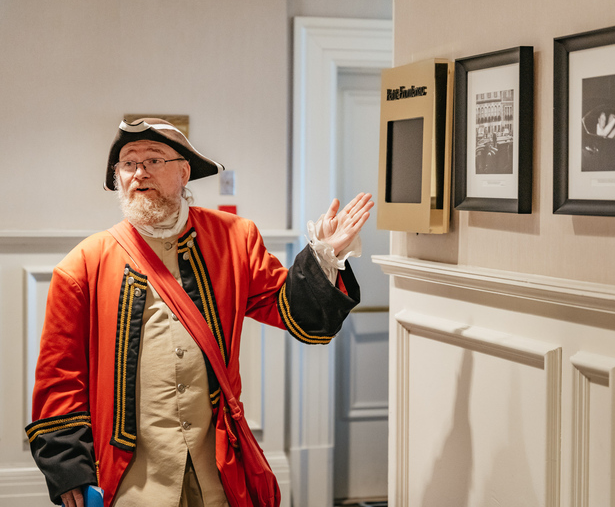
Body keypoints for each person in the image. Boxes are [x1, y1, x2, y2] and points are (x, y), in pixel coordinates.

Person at [25, 118, 374, 507]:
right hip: (131, 481)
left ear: (184, 171)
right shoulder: (82, 265)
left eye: (154, 160)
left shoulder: (235, 238)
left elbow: (298, 316)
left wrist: (324, 256)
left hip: (219, 472)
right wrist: (69, 467)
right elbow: (59, 379)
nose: (139, 173)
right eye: (128, 164)